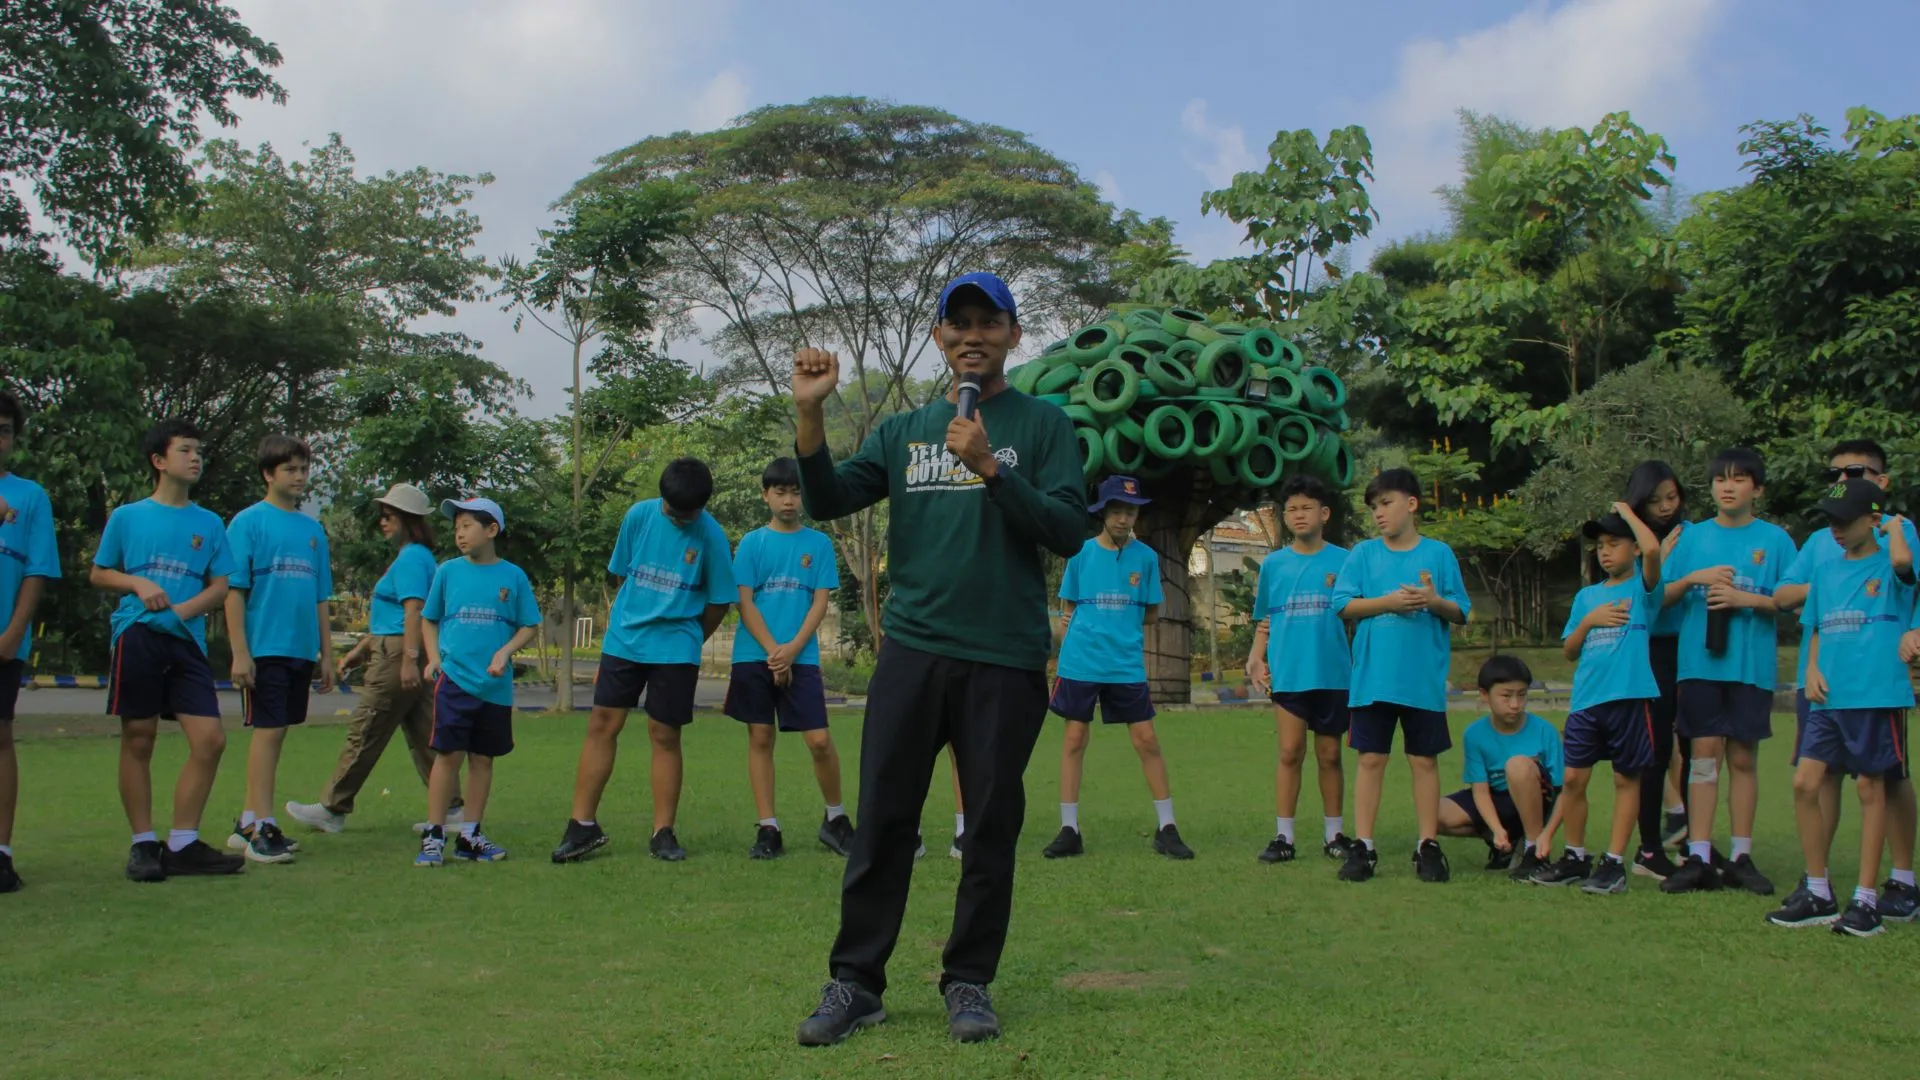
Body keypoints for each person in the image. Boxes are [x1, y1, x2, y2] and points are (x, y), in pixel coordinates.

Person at [789, 272, 1084, 1046]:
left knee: (989, 824)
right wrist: (810, 415)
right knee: (884, 820)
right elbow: (826, 500)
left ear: (1015, 336)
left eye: (989, 322)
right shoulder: (903, 431)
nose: (972, 336)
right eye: (958, 325)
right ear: (938, 339)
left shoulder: (1046, 424)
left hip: (1004, 655)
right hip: (914, 652)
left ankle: (969, 982)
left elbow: (1067, 529)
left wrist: (993, 467)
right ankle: (856, 983)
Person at [552, 458, 734, 864]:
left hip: (676, 648)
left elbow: (720, 599)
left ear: (702, 507)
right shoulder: (638, 516)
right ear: (662, 500)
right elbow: (623, 574)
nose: (679, 518)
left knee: (664, 734)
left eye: (688, 513)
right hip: (625, 641)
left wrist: (687, 639)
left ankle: (663, 832)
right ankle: (581, 825)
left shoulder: (712, 536)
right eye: (672, 510)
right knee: (603, 724)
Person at [89, 418, 245, 881]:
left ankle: (182, 843)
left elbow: (221, 586)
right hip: (137, 636)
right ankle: (143, 845)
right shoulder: (128, 517)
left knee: (211, 739)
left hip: (186, 643)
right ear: (159, 461)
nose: (195, 457)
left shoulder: (210, 523)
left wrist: (182, 610)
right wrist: (138, 582)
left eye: (199, 450)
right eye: (185, 450)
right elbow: (99, 574)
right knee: (139, 737)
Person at [1772, 440, 1920, 921]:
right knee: (1805, 782)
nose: (1834, 531)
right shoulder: (1828, 567)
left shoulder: (1892, 559)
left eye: (1843, 521)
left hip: (1875, 694)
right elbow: (1813, 623)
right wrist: (1812, 668)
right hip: (1828, 695)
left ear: (1873, 517)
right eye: (1829, 521)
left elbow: (1904, 568)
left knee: (1872, 787)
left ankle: (1867, 899)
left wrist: (1892, 526)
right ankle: (1818, 890)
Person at [1657, 448, 1797, 895]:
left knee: (1742, 758)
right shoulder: (1690, 537)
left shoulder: (1775, 541)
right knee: (1704, 756)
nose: (1728, 487)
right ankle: (1698, 855)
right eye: (1721, 480)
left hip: (1750, 667)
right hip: (1699, 665)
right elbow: (1660, 597)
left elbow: (1791, 599)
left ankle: (1739, 856)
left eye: (1739, 480)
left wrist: (1745, 600)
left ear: (1757, 488)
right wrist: (1695, 577)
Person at [286, 484, 462, 834]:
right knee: (425, 732)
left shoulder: (412, 557)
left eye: (389, 516)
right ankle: (452, 809)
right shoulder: (416, 556)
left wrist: (409, 659)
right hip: (397, 649)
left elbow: (414, 611)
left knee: (366, 728)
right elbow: (397, 615)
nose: (383, 523)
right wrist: (363, 648)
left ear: (408, 520)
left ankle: (332, 807)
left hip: (398, 654)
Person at [1040, 474, 1191, 861]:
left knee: (1147, 741)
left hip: (1125, 665)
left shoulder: (1146, 558)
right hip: (1080, 663)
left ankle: (1167, 827)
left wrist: (1116, 628)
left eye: (1131, 512)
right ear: (1102, 513)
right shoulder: (1080, 552)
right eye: (1117, 511)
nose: (1124, 519)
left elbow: (1152, 613)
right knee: (1074, 740)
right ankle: (1069, 829)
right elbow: (1068, 608)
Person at [1332, 467, 1471, 883]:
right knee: (1371, 759)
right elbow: (1343, 605)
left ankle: (1427, 845)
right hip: (1373, 679)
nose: (1379, 513)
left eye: (1386, 503)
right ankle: (1364, 846)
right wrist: (1389, 602)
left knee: (1423, 760)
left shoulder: (1439, 554)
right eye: (1374, 507)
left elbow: (1461, 611)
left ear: (1411, 504)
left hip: (1422, 680)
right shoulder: (1363, 555)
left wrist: (1433, 600)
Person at [1529, 506, 1662, 894]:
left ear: (1633, 548)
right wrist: (1590, 621)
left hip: (1631, 698)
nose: (1604, 552)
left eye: (1614, 543)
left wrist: (1630, 514)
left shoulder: (1644, 588)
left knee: (1626, 779)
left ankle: (1615, 863)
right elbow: (1570, 650)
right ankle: (1574, 856)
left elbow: (1653, 552)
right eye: (1600, 545)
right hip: (1587, 700)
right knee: (1572, 778)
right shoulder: (1587, 597)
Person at [726, 456, 853, 860]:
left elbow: (819, 603)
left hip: (802, 656)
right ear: (765, 495)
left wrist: (792, 650)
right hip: (754, 655)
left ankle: (835, 819)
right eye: (780, 492)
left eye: (796, 492)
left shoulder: (818, 544)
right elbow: (744, 603)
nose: (788, 500)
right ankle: (768, 827)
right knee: (760, 737)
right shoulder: (751, 543)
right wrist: (772, 652)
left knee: (818, 740)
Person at [221, 435, 335, 865]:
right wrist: (239, 652)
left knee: (280, 730)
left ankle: (249, 820)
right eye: (290, 469)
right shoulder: (248, 522)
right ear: (269, 474)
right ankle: (263, 828)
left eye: (304, 468)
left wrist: (326, 654)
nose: (300, 476)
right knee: (266, 732)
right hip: (264, 646)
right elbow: (234, 590)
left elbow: (322, 595)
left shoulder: (312, 530)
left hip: (300, 648)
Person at [414, 497, 541, 867]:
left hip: (494, 688)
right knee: (448, 755)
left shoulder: (513, 576)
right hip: (454, 681)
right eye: (456, 528)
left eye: (467, 526)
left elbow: (529, 625)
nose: (459, 533)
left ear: (491, 530)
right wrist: (434, 657)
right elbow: (428, 619)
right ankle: (435, 834)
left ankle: (470, 834)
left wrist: (505, 653)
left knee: (483, 758)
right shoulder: (447, 572)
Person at [1246, 473, 1351, 863]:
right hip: (1290, 673)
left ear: (1324, 513)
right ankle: (1284, 837)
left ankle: (1335, 834)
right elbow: (1265, 619)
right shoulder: (1274, 565)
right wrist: (1257, 656)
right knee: (1290, 752)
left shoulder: (1345, 561)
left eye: (1307, 507)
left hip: (1334, 674)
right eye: (1291, 509)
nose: (1299, 515)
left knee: (1330, 755)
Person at [0, 391, 61, 893]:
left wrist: (15, 632)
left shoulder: (30, 496)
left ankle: (1, 851)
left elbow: (37, 570)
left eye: (4, 430)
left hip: (3, 640)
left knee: (0, 738)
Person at [1437, 656, 1562, 879]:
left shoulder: (1546, 731)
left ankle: (1535, 852)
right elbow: (1480, 790)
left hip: (1537, 800)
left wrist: (1547, 834)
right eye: (1506, 696)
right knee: (1433, 813)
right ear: (1485, 695)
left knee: (1517, 766)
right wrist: (1496, 830)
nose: (1515, 704)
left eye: (1522, 695)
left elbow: (1566, 792)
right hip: (1498, 798)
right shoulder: (1474, 734)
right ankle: (1507, 844)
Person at [1623, 460, 1690, 878]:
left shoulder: (1691, 534)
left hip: (1693, 650)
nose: (1666, 507)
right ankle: (1649, 849)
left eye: (1672, 497)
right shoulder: (1625, 540)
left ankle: (1691, 842)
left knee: (1697, 747)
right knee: (1655, 751)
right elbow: (1642, 600)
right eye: (1654, 500)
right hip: (1649, 651)